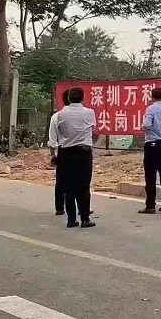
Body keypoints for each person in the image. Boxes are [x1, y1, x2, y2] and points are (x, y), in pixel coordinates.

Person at [56, 87, 97, 228]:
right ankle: (85, 218)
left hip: (67, 152)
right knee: (84, 186)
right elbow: (93, 130)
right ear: (83, 98)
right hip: (84, 152)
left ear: (68, 98)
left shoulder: (61, 114)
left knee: (69, 186)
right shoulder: (89, 112)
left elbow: (61, 132)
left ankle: (71, 219)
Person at [47, 90, 71, 216]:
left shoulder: (56, 116)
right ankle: (82, 207)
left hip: (62, 150)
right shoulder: (86, 114)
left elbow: (52, 139)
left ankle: (60, 207)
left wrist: (53, 155)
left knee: (61, 180)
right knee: (80, 179)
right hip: (79, 150)